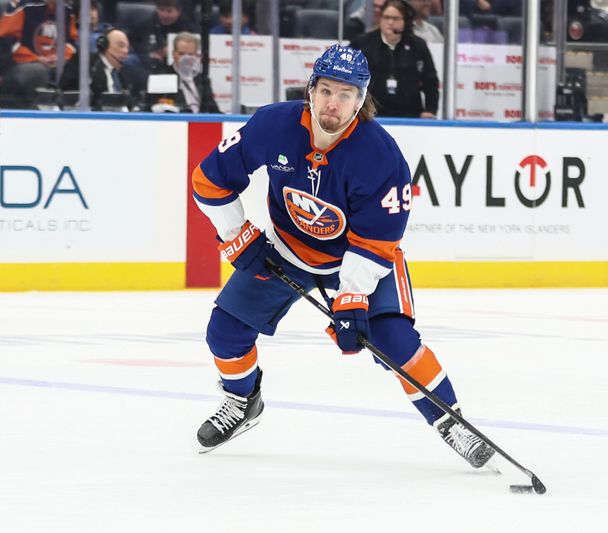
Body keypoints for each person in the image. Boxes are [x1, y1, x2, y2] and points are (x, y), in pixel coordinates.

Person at [191, 43, 494, 470]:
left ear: (361, 100)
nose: (333, 103)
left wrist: (352, 297)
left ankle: (451, 421)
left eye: (346, 94)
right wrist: (236, 233)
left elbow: (375, 240)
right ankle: (242, 402)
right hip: (287, 249)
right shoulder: (273, 125)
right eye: (326, 90)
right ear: (311, 89)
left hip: (361, 258)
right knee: (224, 332)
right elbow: (209, 180)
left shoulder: (381, 156)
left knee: (394, 341)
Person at [349, 0, 439, 118]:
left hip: (410, 115)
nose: (390, 22)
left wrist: (430, 110)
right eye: (386, 17)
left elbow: (430, 81)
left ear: (405, 21)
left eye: (396, 19)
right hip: (370, 115)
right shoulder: (362, 43)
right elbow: (347, 77)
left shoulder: (418, 46)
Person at [0, 0, 78, 106]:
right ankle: (35, 110)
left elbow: (72, 42)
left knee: (74, 68)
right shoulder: (23, 6)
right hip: (19, 64)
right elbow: (7, 40)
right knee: (37, 71)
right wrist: (35, 58)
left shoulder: (67, 10)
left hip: (54, 62)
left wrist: (60, 57)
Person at [59, 27, 141, 109]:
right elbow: (68, 95)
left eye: (127, 48)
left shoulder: (123, 74)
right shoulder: (85, 63)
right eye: (121, 45)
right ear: (104, 45)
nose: (125, 51)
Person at [152, 31, 219, 113]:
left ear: (196, 56)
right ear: (174, 54)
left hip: (200, 122)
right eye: (181, 54)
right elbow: (154, 106)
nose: (186, 58)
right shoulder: (162, 76)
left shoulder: (202, 79)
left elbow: (213, 110)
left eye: (190, 54)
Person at [129, 0, 198, 71]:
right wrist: (149, 53)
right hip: (148, 65)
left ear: (179, 12)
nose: (165, 15)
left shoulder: (188, 28)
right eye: (162, 10)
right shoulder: (147, 25)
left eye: (169, 11)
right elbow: (134, 43)